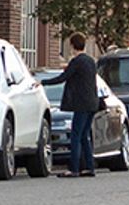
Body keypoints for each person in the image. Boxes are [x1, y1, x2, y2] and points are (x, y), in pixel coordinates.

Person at [42, 32, 99, 178]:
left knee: (75, 135)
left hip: (81, 104)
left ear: (73, 46)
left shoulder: (77, 62)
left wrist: (43, 82)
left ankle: (74, 168)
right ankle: (89, 167)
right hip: (93, 102)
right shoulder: (91, 61)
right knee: (84, 135)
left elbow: (63, 78)